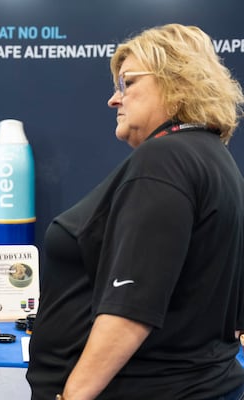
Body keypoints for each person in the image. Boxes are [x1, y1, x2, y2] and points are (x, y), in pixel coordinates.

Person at [27, 23, 244, 400]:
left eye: (126, 83)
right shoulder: (213, 158)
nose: (114, 99)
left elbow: (131, 306)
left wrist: (74, 394)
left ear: (176, 81)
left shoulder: (165, 159)